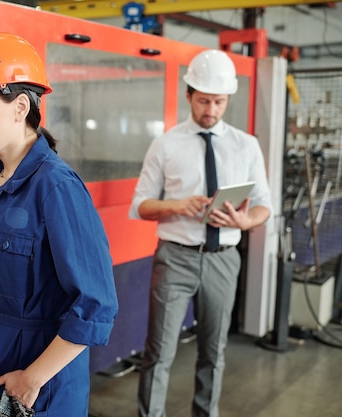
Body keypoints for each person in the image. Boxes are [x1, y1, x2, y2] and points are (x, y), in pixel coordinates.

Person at [0, 32, 119, 417]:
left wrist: (33, 378)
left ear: (20, 107)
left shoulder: (56, 187)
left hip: (39, 378)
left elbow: (96, 306)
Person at [129, 49, 273, 417]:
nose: (211, 110)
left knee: (214, 352)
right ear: (189, 94)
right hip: (175, 258)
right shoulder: (166, 144)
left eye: (219, 102)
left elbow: (263, 206)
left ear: (228, 100)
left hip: (224, 260)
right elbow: (142, 205)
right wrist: (177, 205)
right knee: (159, 351)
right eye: (204, 100)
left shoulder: (247, 146)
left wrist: (244, 222)